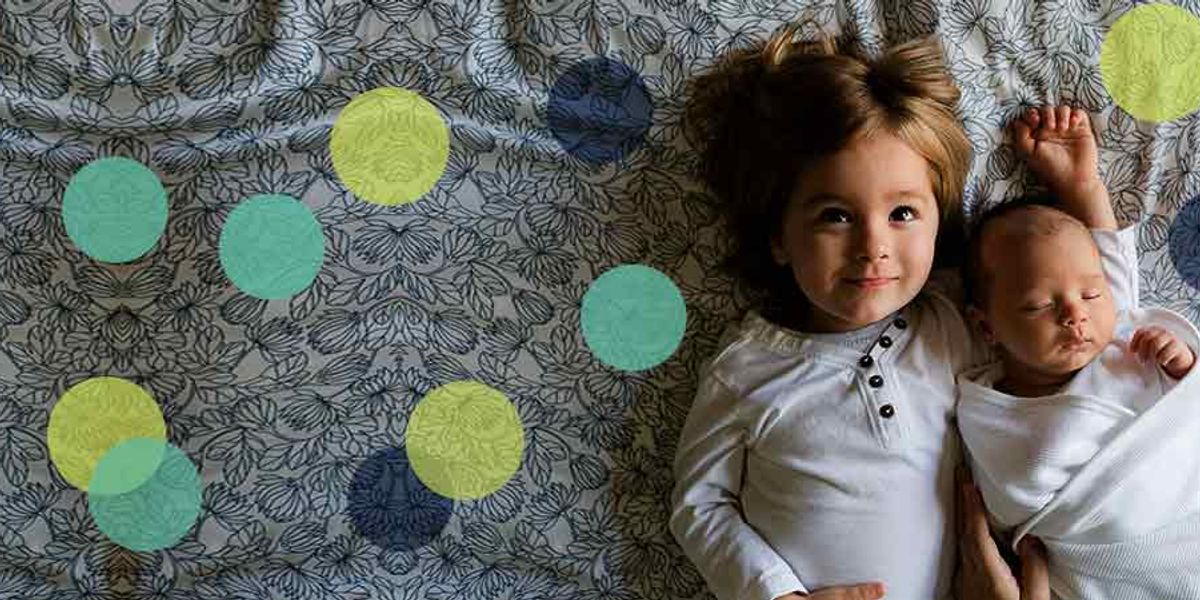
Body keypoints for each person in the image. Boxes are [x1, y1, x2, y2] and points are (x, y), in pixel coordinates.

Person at [669, 21, 1080, 600]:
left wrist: (1081, 194)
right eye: (835, 215)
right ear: (779, 238)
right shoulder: (748, 367)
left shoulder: (957, 322)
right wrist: (773, 593)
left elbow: (1076, 311)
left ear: (941, 222)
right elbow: (698, 503)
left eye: (903, 214)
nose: (873, 247)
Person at [958, 105, 1200, 598]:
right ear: (987, 327)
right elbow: (1008, 502)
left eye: (1091, 296)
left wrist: (1183, 368)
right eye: (1038, 305)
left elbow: (1105, 259)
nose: (1076, 314)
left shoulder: (1124, 339)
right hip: (1109, 561)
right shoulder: (987, 409)